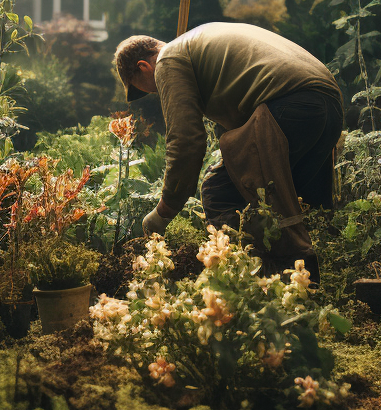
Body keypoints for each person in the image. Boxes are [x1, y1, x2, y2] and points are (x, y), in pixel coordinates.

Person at [114, 22, 343, 282]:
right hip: (329, 106)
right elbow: (234, 127)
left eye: (149, 88)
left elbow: (186, 140)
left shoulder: (169, 59)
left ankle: (251, 284)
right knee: (293, 197)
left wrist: (165, 209)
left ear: (144, 67)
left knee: (219, 191)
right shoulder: (200, 44)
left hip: (290, 104)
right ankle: (312, 286)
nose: (156, 92)